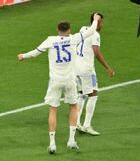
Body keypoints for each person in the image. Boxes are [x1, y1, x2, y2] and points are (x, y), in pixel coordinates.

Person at [17, 14, 101, 154]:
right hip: (70, 80)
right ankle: (71, 140)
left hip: (55, 80)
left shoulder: (51, 40)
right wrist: (96, 20)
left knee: (53, 110)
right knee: (73, 107)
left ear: (57, 29)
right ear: (69, 30)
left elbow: (35, 53)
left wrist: (23, 56)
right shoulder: (73, 39)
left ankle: (52, 144)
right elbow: (91, 31)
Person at [75, 12, 115, 136]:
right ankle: (87, 125)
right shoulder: (95, 34)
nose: (102, 25)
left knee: (82, 94)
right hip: (87, 69)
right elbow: (96, 52)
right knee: (93, 94)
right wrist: (108, 68)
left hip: (76, 68)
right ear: (98, 22)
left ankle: (76, 123)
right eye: (101, 22)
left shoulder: (83, 29)